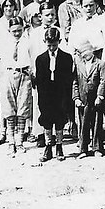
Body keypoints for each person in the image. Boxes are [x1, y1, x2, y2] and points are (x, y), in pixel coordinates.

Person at [34, 26, 74, 162]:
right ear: (45, 42)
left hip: (60, 93)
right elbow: (39, 81)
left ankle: (59, 146)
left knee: (59, 119)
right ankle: (48, 147)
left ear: (60, 42)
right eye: (49, 45)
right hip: (46, 94)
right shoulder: (40, 59)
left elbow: (68, 80)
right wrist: (41, 99)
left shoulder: (66, 58)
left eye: (54, 45)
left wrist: (66, 99)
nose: (52, 48)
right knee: (47, 119)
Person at [0, 15, 33, 156]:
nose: (17, 34)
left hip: (24, 75)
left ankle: (19, 141)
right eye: (14, 31)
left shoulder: (28, 42)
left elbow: (32, 59)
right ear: (9, 30)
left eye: (19, 30)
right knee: (9, 109)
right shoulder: (4, 43)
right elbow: (1, 61)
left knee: (22, 109)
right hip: (9, 74)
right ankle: (10, 141)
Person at [72, 39, 105, 157]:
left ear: (92, 50)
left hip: (95, 98)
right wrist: (76, 98)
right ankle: (83, 149)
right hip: (83, 98)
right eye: (81, 52)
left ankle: (97, 147)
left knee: (97, 122)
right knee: (83, 123)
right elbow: (75, 82)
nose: (84, 54)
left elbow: (103, 81)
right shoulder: (78, 65)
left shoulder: (100, 64)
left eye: (86, 51)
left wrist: (100, 96)